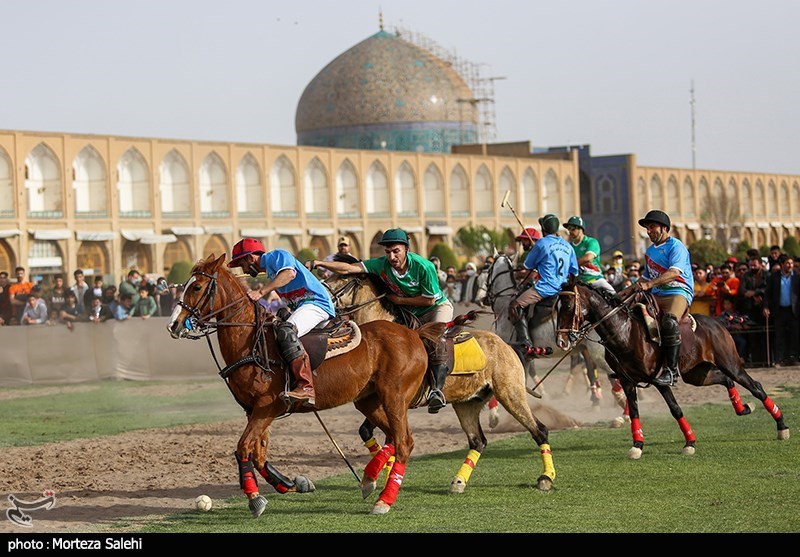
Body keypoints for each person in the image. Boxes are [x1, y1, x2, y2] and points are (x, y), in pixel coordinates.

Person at [312, 228, 454, 413]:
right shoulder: (381, 264)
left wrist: (400, 300)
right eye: (388, 252)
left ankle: (436, 390)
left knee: (436, 340)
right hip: (408, 311)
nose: (392, 256)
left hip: (435, 308)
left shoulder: (423, 266)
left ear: (406, 250)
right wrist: (317, 263)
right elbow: (348, 268)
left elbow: (430, 300)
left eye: (396, 251)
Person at [228, 237, 336, 408]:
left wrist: (261, 291)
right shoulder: (271, 271)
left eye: (243, 264)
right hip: (303, 307)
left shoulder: (277, 255)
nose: (244, 270)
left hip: (317, 303)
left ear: (250, 258)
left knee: (286, 331)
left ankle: (306, 386)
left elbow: (289, 274)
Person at [622, 210, 694, 387]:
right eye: (647, 228)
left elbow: (673, 273)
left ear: (664, 228)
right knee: (632, 317)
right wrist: (628, 290)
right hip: (657, 294)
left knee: (669, 322)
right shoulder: (649, 252)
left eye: (652, 227)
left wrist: (648, 285)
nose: (648, 231)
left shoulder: (676, 246)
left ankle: (671, 372)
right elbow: (646, 277)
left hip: (678, 292)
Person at [508, 214, 578, 359]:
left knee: (515, 305)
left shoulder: (541, 243)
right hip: (563, 289)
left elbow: (528, 269)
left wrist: (514, 276)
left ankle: (524, 343)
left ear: (543, 229)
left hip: (545, 288)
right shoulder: (568, 245)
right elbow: (573, 272)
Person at [563, 216, 616, 297]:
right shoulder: (568, 246)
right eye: (569, 229)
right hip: (578, 283)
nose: (570, 231)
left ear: (580, 229)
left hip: (596, 280)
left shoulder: (591, 242)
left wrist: (571, 265)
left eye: (573, 229)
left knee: (615, 296)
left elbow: (588, 258)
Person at [763, 254, 799, 367]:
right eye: (788, 263)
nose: (790, 265)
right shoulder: (774, 277)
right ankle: (779, 359)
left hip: (794, 311)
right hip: (779, 310)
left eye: (792, 263)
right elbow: (767, 294)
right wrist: (765, 306)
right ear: (782, 264)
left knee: (795, 335)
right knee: (779, 335)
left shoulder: (797, 277)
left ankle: (793, 358)